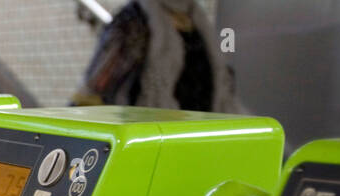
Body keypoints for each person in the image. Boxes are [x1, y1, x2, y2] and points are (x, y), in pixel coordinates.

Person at [71, 0, 244, 113]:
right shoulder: (134, 19)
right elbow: (96, 87)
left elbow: (222, 90)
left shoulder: (199, 23)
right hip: (152, 140)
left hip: (196, 140)